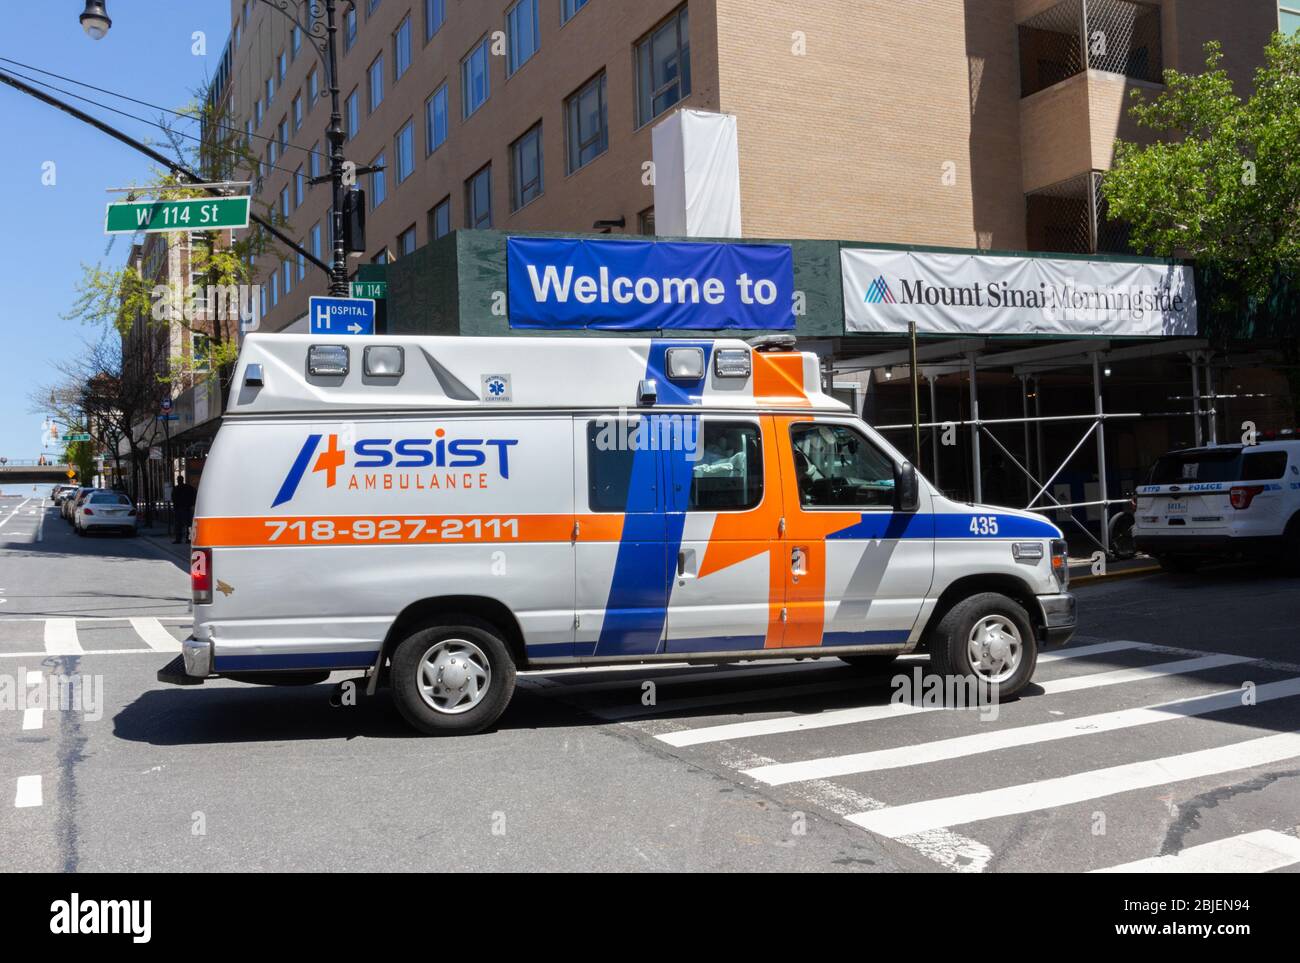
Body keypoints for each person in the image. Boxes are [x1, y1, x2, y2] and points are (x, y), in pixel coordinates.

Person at [171, 475, 197, 544]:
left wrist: (175, 506)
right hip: (187, 508)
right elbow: (194, 495)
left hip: (180, 509)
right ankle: (188, 539)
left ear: (179, 480)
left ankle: (178, 539)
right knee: (188, 525)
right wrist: (191, 504)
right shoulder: (189, 488)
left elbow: (173, 498)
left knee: (179, 525)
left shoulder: (176, 488)